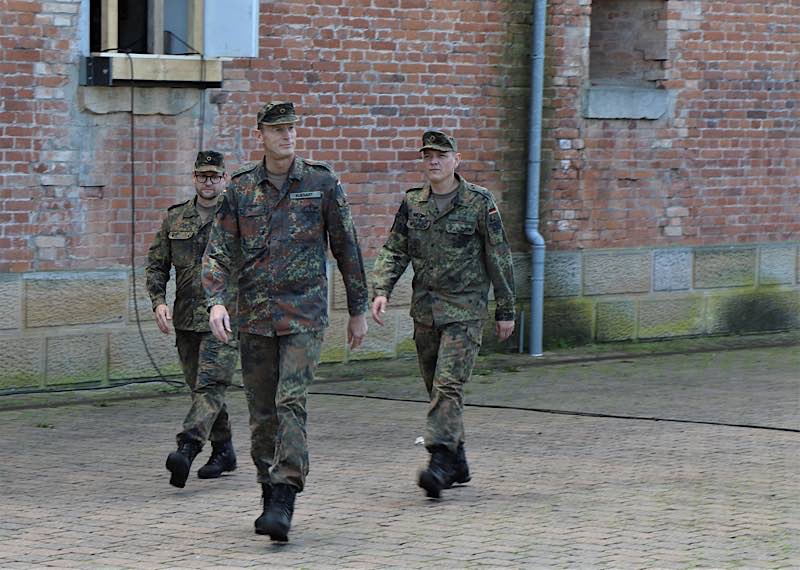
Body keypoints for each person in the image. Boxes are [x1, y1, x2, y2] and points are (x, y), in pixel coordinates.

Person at [202, 102, 369, 542]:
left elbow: (347, 247)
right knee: (261, 413)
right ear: (260, 134)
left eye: (291, 128)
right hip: (254, 318)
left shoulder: (321, 182)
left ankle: (286, 491)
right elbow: (218, 250)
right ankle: (268, 489)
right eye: (277, 129)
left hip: (303, 316)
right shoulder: (240, 190)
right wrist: (215, 301)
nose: (287, 136)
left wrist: (357, 309)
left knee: (290, 401)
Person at [371, 130, 516, 499]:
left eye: (441, 155)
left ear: (456, 159)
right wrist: (381, 290)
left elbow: (498, 258)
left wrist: (506, 309)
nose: (433, 161)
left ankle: (438, 462)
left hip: (465, 312)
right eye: (427, 156)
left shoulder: (479, 203)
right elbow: (394, 250)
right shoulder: (413, 204)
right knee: (437, 390)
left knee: (448, 386)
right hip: (426, 313)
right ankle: (459, 460)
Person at [146, 150, 240, 488]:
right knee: (200, 390)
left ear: (224, 178)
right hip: (186, 319)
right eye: (203, 175)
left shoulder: (237, 217)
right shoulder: (176, 219)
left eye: (215, 175)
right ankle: (224, 450)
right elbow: (157, 264)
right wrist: (158, 301)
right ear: (194, 177)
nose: (209, 181)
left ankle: (186, 449)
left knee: (211, 386)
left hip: (227, 318)